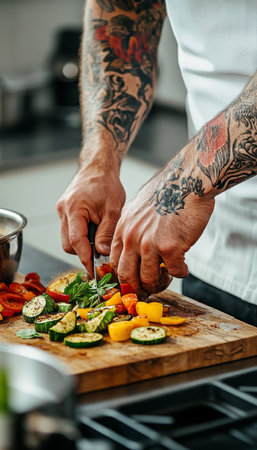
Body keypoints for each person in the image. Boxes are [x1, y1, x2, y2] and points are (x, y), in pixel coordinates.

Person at [57, 0, 257, 324]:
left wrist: (182, 185)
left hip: (193, 199)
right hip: (210, 251)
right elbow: (125, 12)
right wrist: (99, 162)